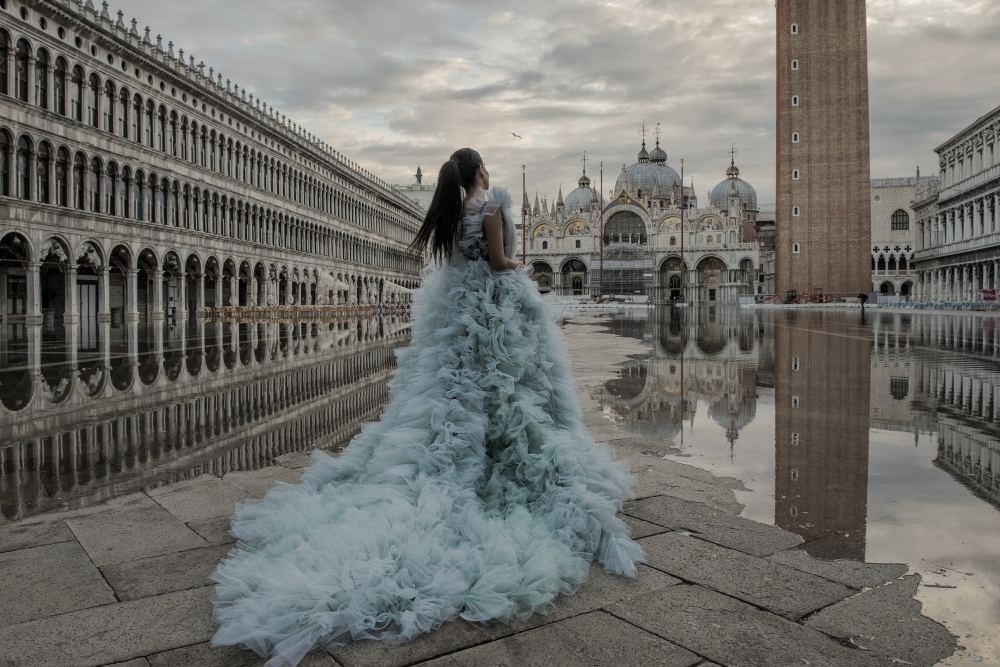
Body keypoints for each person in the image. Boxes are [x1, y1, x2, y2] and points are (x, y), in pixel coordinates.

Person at [210, 148, 645, 667]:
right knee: (508, 390)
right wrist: (519, 265)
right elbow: (501, 261)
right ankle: (494, 468)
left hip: (456, 309)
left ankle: (460, 462)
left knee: (449, 392)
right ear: (481, 171)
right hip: (492, 309)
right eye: (485, 167)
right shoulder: (490, 206)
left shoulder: (449, 213)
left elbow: (462, 260)